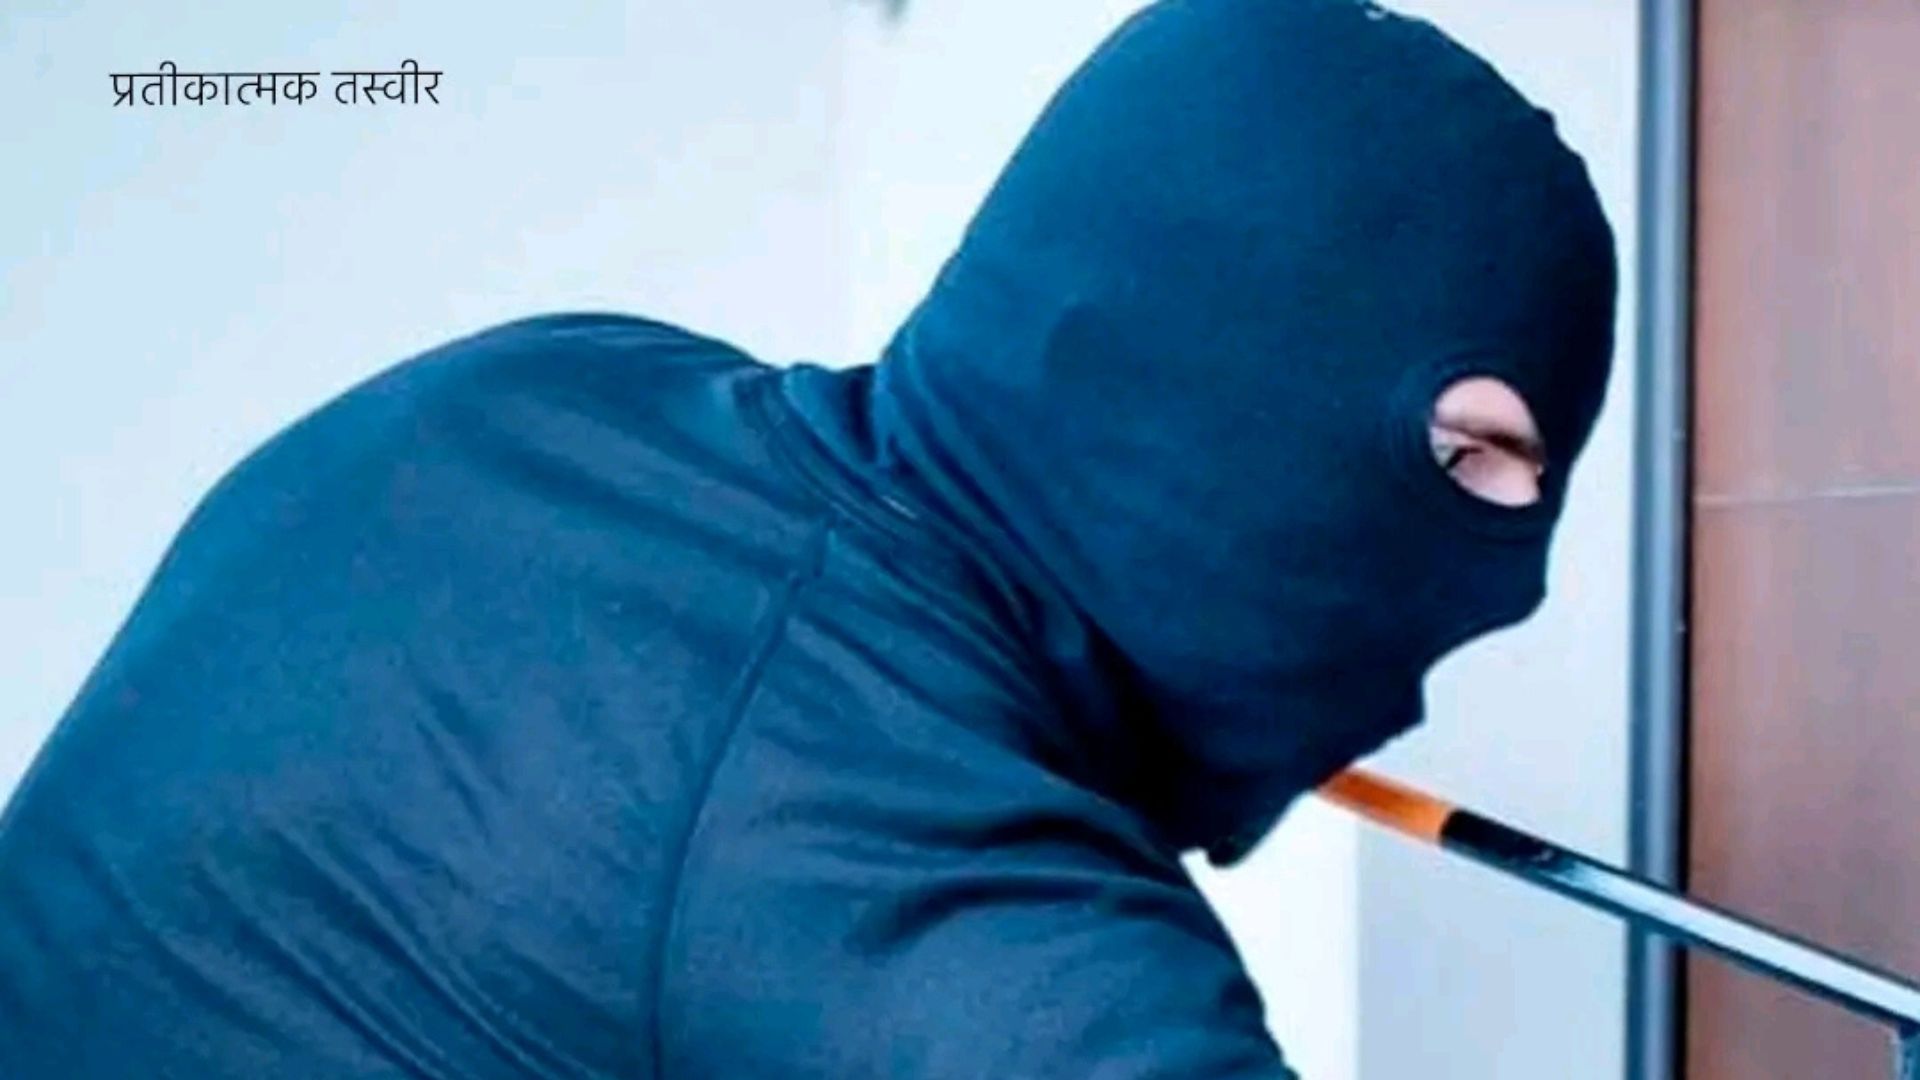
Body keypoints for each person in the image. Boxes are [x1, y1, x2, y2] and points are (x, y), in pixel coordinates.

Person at [0, 0, 1615, 1075]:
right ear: (1234, 360)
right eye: (1473, 462)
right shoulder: (971, 901)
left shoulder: (547, 387)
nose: (1508, 581)